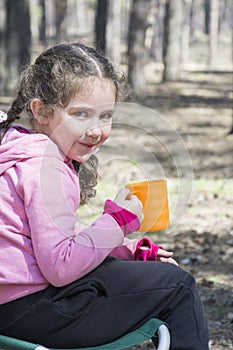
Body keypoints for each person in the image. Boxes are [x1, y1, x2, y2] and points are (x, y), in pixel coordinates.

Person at [0, 43, 209, 350]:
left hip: (14, 306)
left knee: (146, 277)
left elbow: (47, 242)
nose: (96, 130)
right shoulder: (45, 168)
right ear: (41, 111)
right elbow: (60, 267)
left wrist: (126, 250)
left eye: (105, 116)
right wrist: (118, 220)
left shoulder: (16, 149)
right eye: (81, 114)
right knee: (178, 287)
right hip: (33, 311)